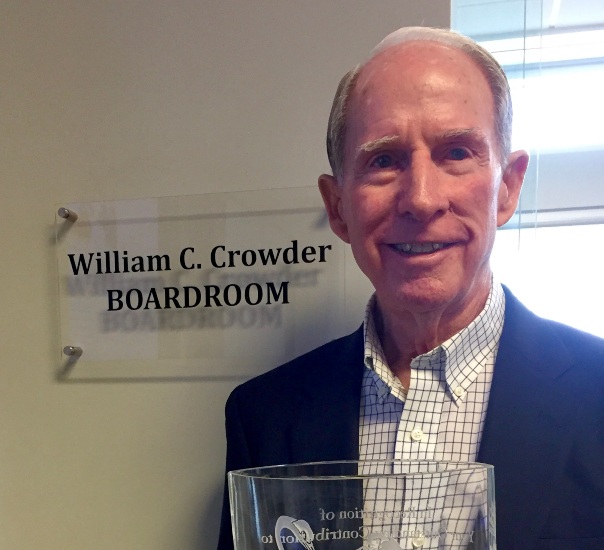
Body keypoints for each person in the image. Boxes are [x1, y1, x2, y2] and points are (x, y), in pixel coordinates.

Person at [217, 26, 604, 550]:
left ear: (508, 187)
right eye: (383, 160)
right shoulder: (263, 415)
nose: (421, 199)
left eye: (457, 152)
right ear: (338, 208)